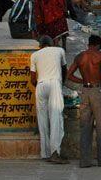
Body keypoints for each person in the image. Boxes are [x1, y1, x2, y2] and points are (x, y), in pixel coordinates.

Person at [66, 35, 101, 168]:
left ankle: (85, 161)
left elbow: (69, 75)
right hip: (97, 90)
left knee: (85, 126)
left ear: (88, 44)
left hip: (85, 92)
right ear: (98, 45)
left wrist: (82, 81)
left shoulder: (80, 56)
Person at [29, 35, 68, 163]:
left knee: (42, 119)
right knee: (56, 117)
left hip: (40, 85)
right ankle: (55, 152)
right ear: (52, 44)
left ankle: (45, 153)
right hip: (54, 83)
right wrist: (60, 84)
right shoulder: (59, 50)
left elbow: (33, 79)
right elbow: (64, 69)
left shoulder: (34, 55)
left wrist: (40, 85)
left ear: (40, 46)